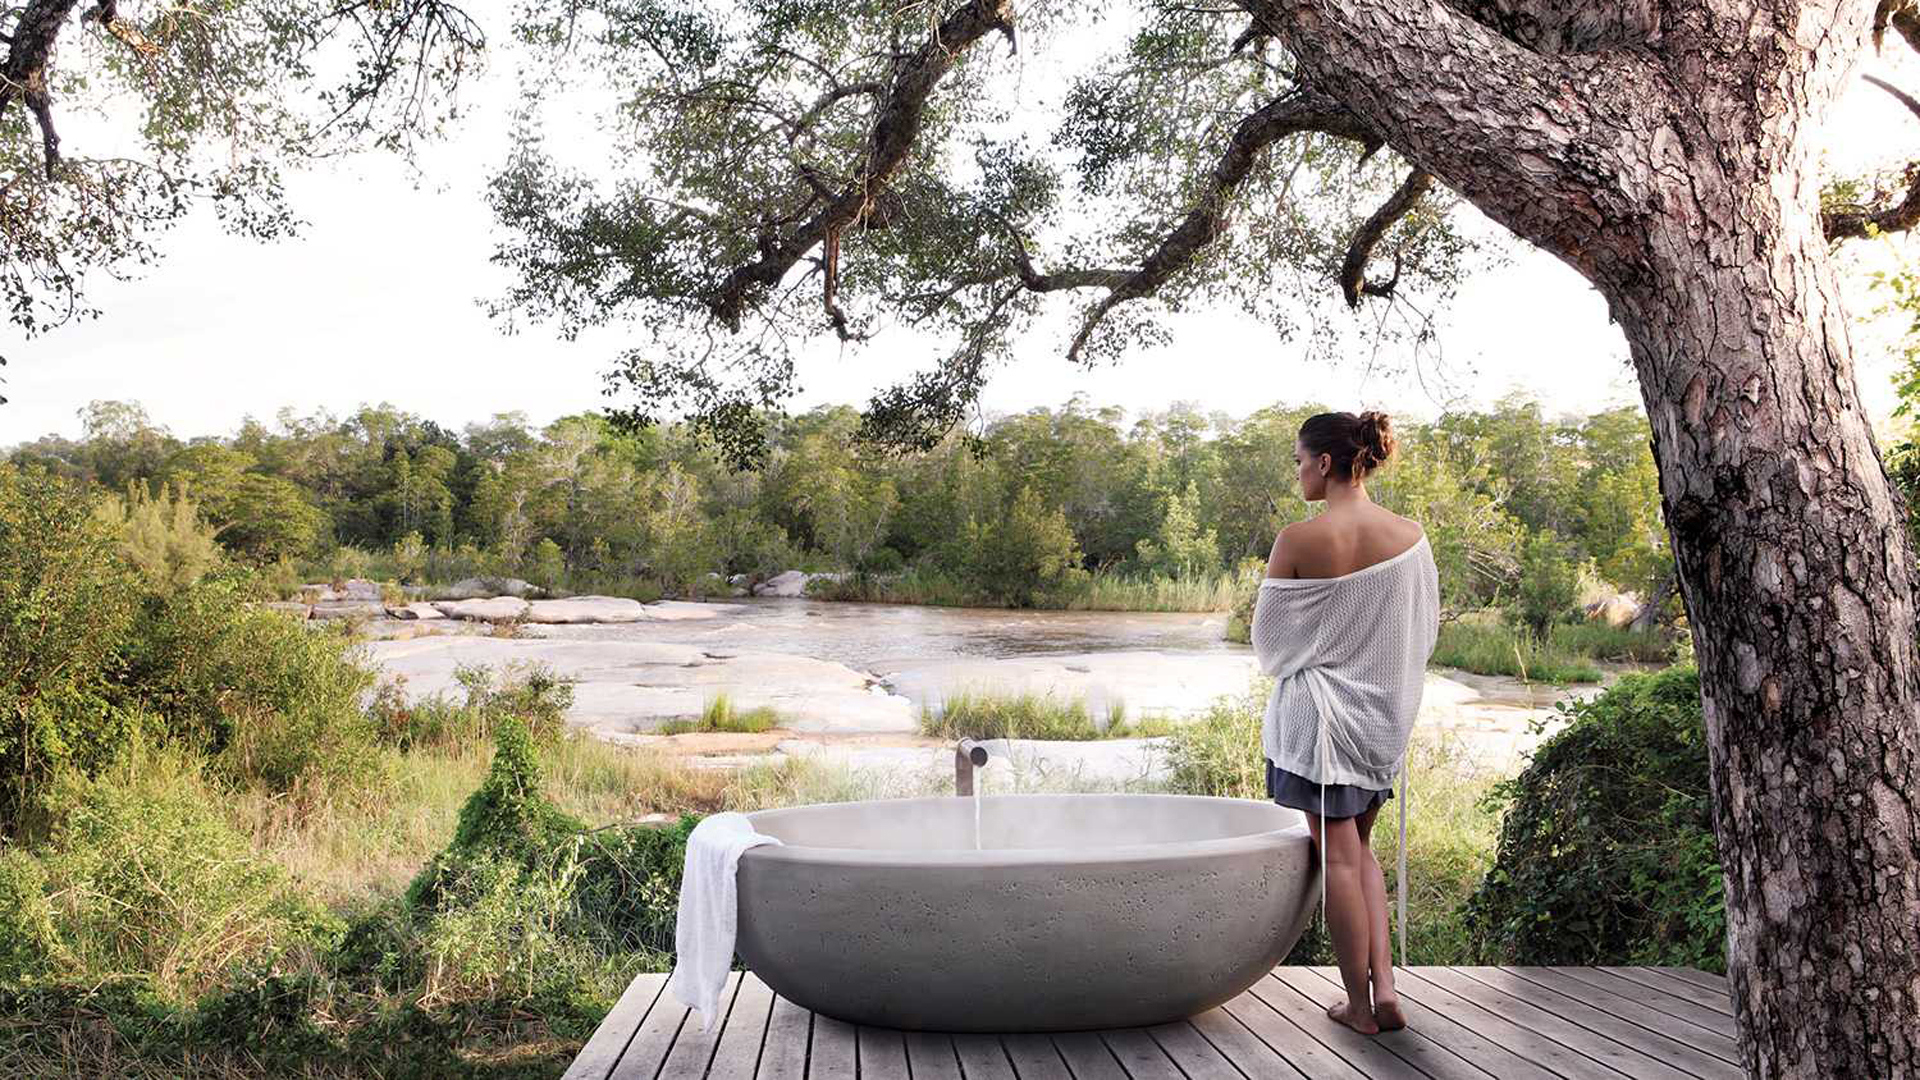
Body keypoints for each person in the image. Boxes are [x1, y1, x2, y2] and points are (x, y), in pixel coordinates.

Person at [1251, 410, 1440, 1035]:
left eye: (1301, 459)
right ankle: (1384, 992)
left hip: (1321, 727)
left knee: (1338, 862)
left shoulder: (1299, 540)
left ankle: (1357, 1010)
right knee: (1362, 855)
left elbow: (1272, 650)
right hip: (1382, 723)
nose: (1298, 470)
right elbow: (1421, 635)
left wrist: (1322, 646)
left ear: (1326, 462)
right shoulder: (1411, 538)